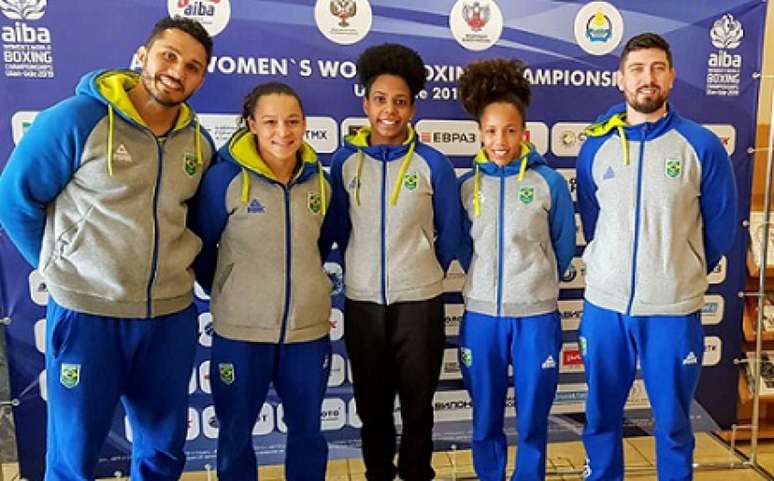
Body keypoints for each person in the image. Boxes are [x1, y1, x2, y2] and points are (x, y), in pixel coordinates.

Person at [0, 17, 215, 481]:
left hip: (169, 320)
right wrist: (59, 265)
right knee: (73, 459)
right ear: (143, 55)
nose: (178, 71)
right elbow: (14, 198)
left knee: (163, 454)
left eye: (193, 66)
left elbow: (198, 221)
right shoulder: (78, 118)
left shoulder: (199, 142)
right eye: (169, 56)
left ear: (201, 79)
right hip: (88, 318)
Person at [576, 32, 738, 481]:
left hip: (671, 309)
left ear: (671, 77)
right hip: (605, 307)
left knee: (671, 423)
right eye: (637, 69)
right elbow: (594, 219)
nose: (647, 78)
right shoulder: (596, 146)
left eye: (657, 68)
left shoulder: (701, 146)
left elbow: (721, 227)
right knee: (601, 416)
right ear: (619, 80)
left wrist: (675, 268)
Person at [189, 82, 334, 481]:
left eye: (292, 122)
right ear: (251, 123)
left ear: (304, 124)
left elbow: (320, 246)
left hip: (307, 333)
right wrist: (228, 288)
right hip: (240, 332)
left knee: (307, 432)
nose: (282, 132)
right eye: (270, 121)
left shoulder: (320, 183)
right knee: (235, 435)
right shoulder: (224, 180)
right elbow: (200, 247)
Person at [329, 43, 461, 481]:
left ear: (412, 108)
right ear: (365, 102)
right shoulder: (344, 163)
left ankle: (418, 473)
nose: (390, 111)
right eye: (381, 100)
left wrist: (421, 271)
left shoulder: (433, 164)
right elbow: (338, 229)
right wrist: (361, 271)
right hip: (363, 302)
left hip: (418, 303)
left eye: (400, 101)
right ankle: (378, 473)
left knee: (419, 403)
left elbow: (450, 233)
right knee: (372, 404)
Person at [456, 58, 575, 481]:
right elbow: (461, 245)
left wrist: (537, 283)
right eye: (491, 131)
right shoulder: (469, 186)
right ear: (480, 134)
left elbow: (563, 246)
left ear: (524, 133)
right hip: (482, 319)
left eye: (509, 130)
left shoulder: (549, 183)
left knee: (531, 421)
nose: (500, 140)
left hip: (536, 319)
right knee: (485, 418)